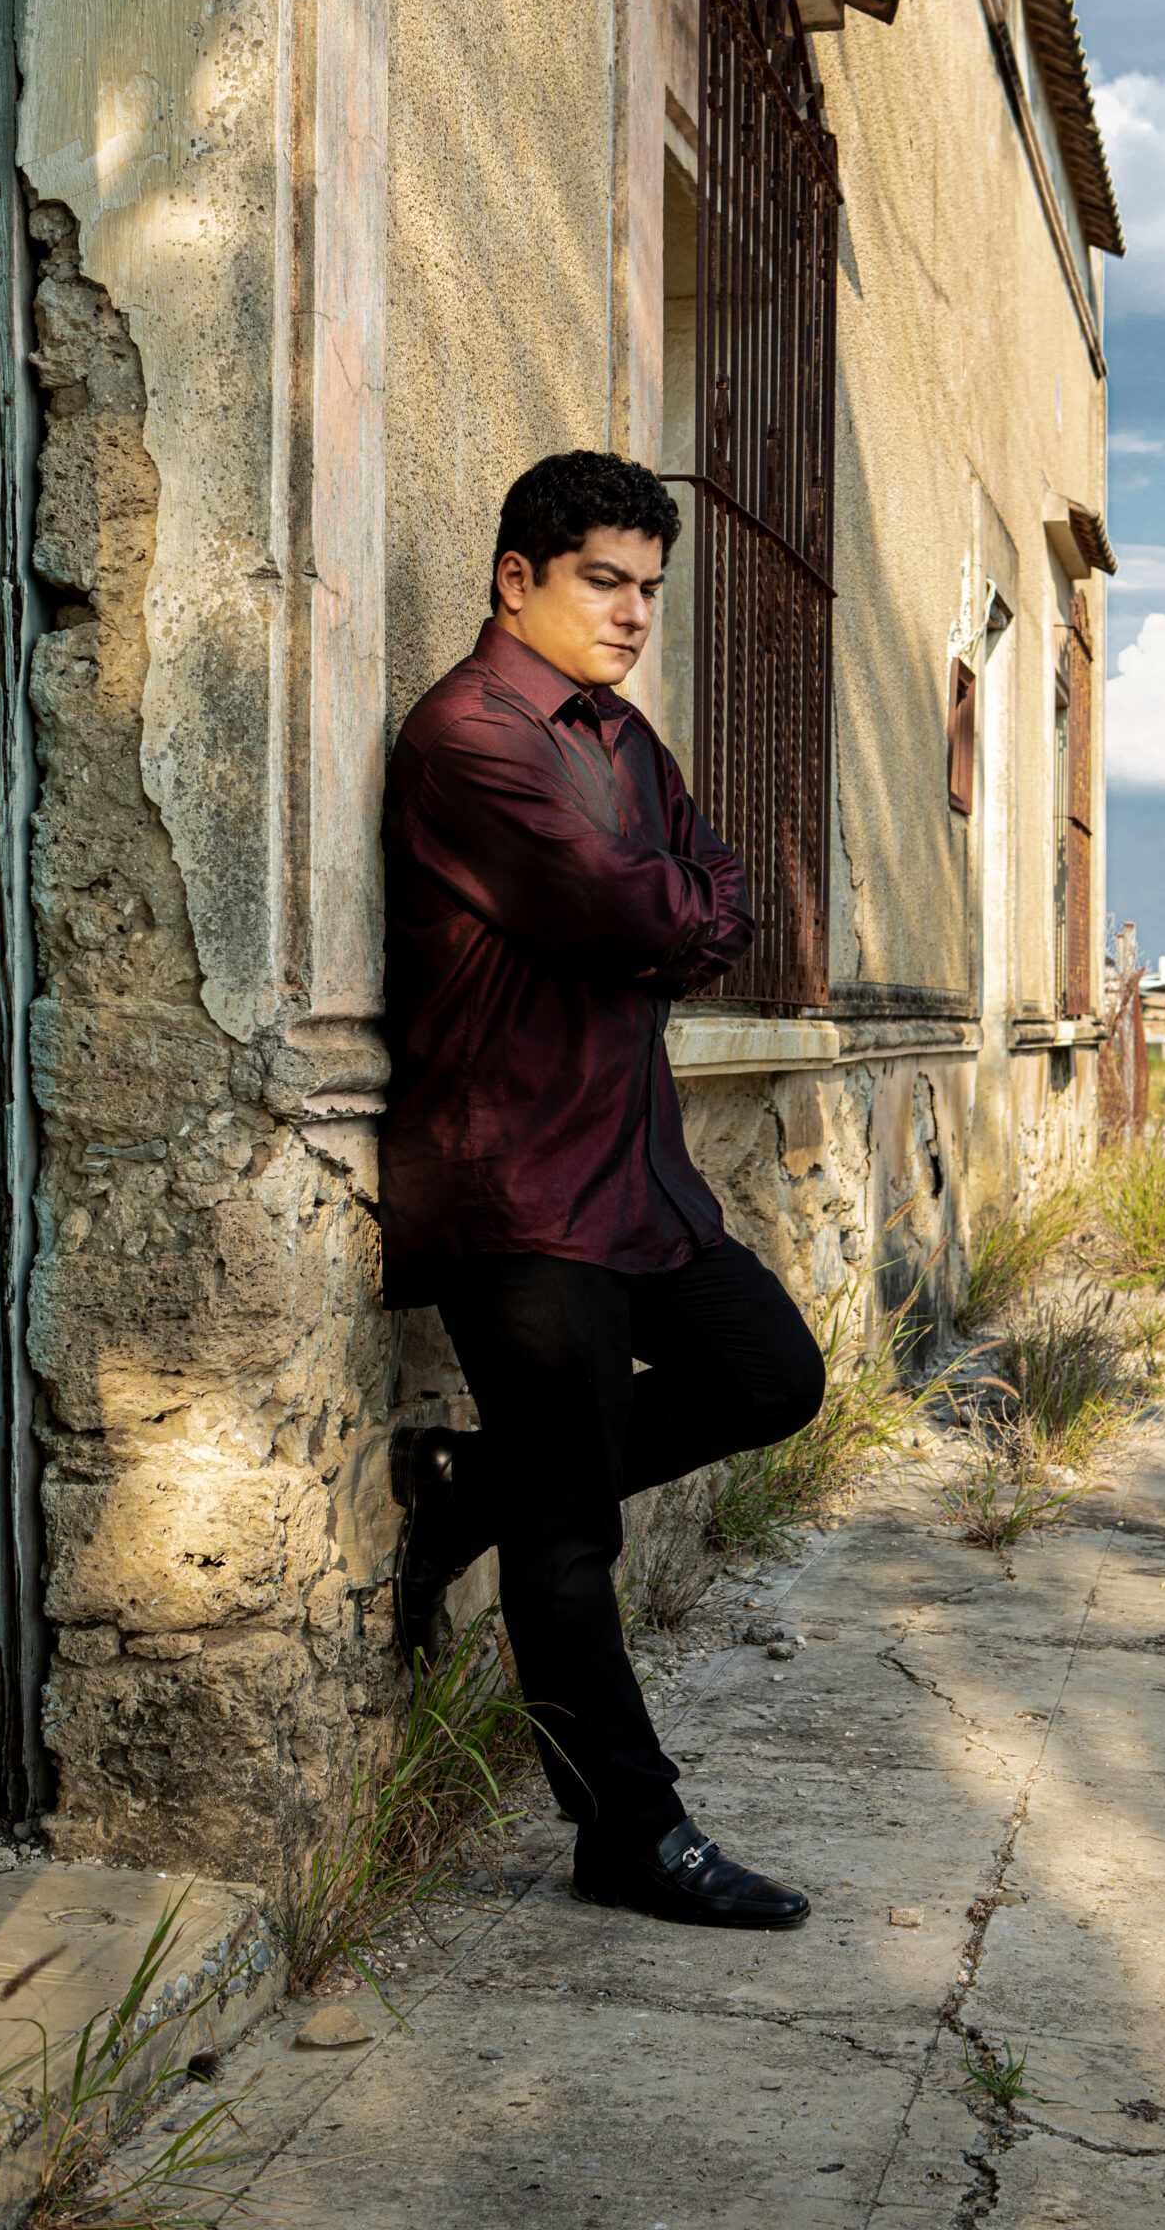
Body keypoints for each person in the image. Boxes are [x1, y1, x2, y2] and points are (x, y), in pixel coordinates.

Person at [379, 450, 825, 1931]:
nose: (635, 612)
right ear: (519, 579)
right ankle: (627, 1833)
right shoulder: (467, 737)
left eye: (650, 588)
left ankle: (474, 1485)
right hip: (514, 1181)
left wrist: (672, 914)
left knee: (770, 1377)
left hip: (632, 1172)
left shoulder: (626, 740)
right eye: (604, 581)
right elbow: (638, 906)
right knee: (569, 1531)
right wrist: (671, 914)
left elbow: (712, 898)